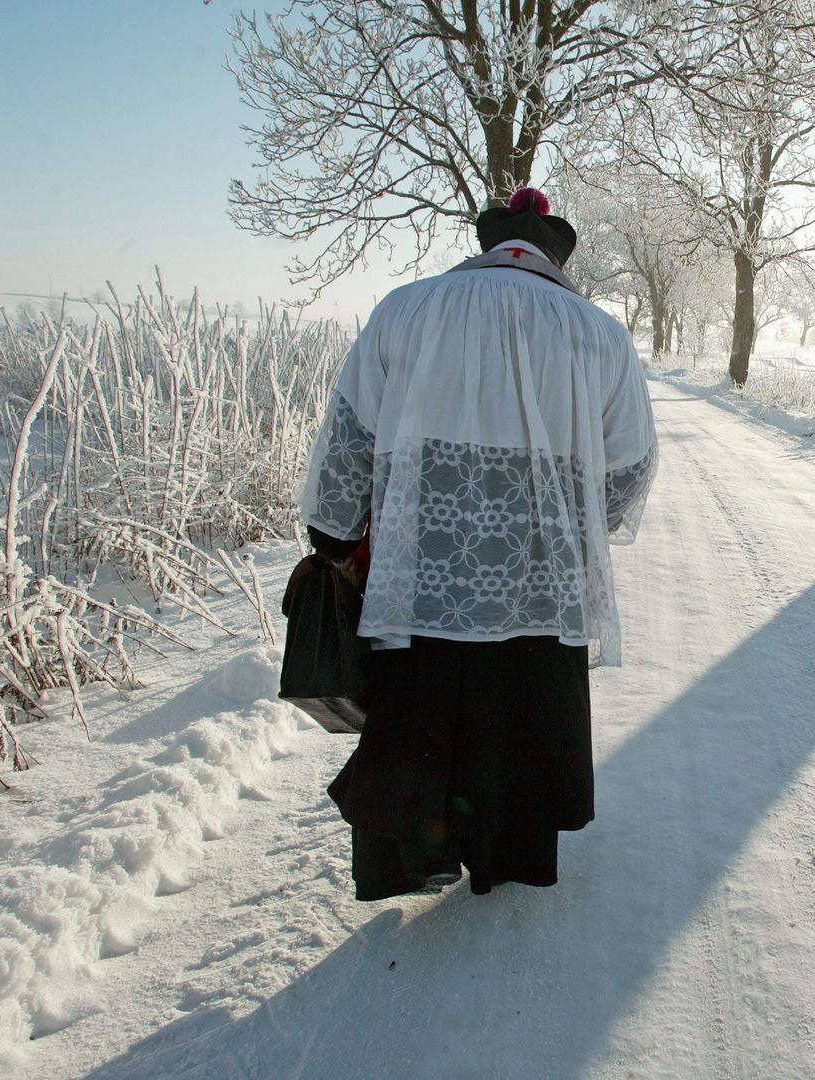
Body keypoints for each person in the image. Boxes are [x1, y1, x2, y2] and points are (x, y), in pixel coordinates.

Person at [299, 187, 657, 900]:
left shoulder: (407, 307)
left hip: (419, 559)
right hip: (542, 571)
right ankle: (507, 854)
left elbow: (351, 432)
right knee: (522, 710)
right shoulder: (596, 332)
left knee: (421, 703)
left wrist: (334, 530)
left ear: (489, 243)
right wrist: (586, 528)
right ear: (554, 254)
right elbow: (630, 460)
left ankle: (418, 850)